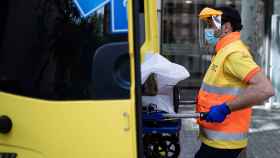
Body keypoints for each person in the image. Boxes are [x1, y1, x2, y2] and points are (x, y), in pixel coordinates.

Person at [195, 6, 275, 158]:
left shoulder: (234, 53)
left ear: (226, 27)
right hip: (218, 141)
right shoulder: (224, 51)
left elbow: (265, 89)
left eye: (211, 24)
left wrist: (225, 109)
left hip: (223, 145)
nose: (208, 29)